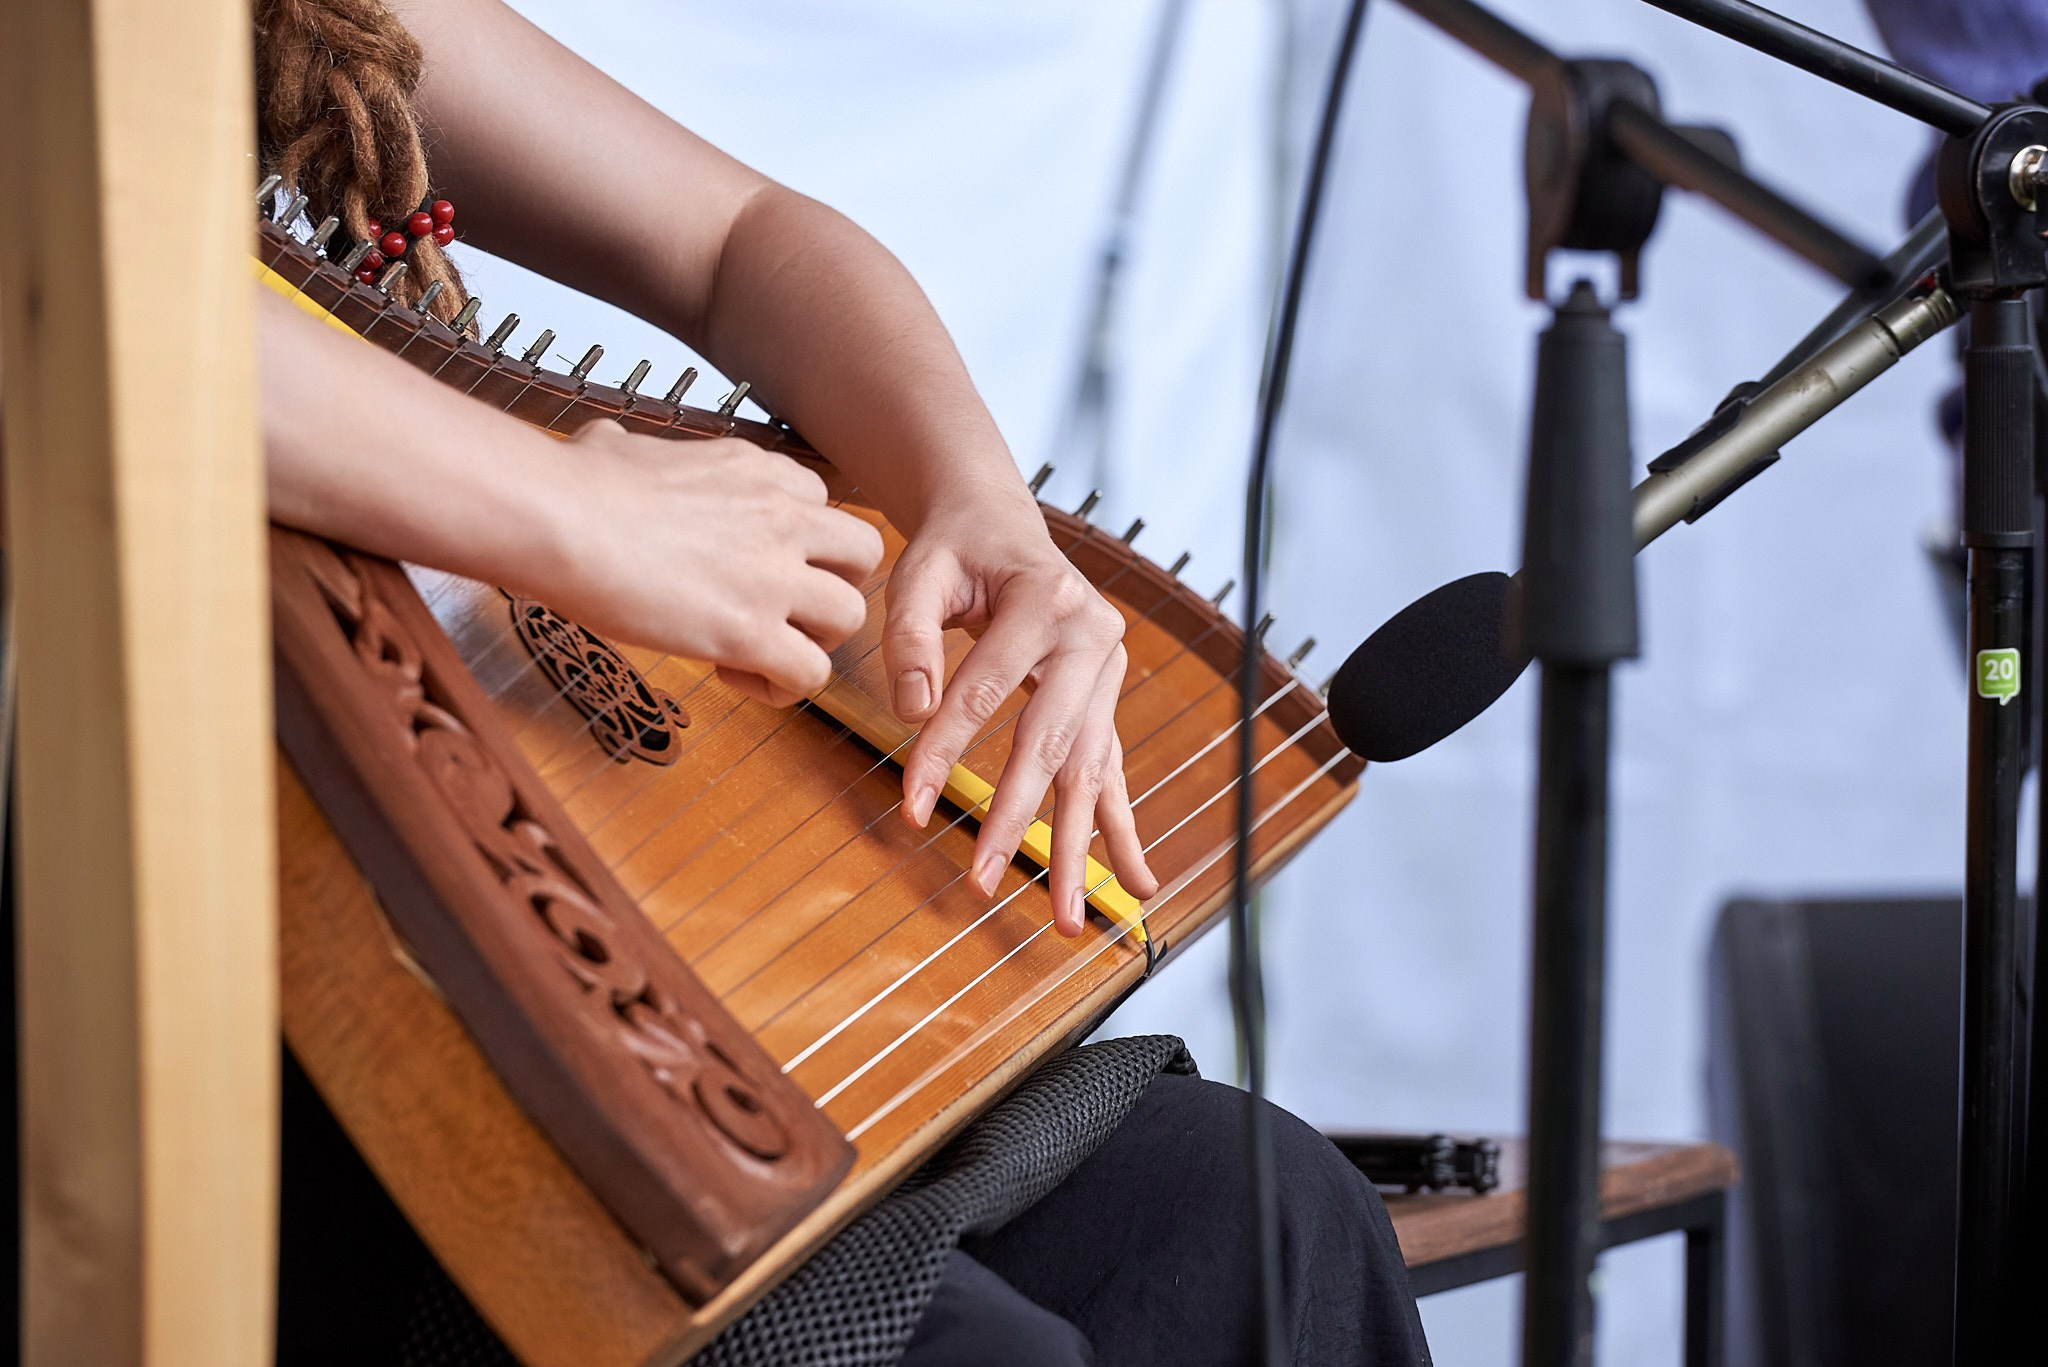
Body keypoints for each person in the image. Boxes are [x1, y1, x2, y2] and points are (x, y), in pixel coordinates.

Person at [252, 1, 1432, 1363]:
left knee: (1268, 1221)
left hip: (528, 875)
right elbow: (79, 296)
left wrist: (984, 512)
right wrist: (575, 515)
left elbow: (738, 238)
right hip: (250, 944)